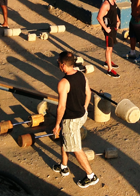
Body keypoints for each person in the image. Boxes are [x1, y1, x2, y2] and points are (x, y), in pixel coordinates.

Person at [52, 51, 99, 189]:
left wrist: (56, 124)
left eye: (59, 63)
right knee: (65, 138)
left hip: (71, 120)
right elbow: (88, 93)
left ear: (62, 65)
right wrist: (84, 107)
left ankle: (91, 176)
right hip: (81, 115)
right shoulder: (81, 75)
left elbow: (61, 107)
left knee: (76, 148)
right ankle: (64, 166)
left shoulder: (63, 83)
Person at [96, 0, 121, 78]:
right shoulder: (106, 4)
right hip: (109, 29)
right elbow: (99, 17)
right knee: (108, 48)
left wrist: (118, 21)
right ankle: (109, 70)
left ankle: (108, 62)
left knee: (111, 47)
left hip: (113, 28)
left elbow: (114, 12)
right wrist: (106, 29)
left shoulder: (113, 2)